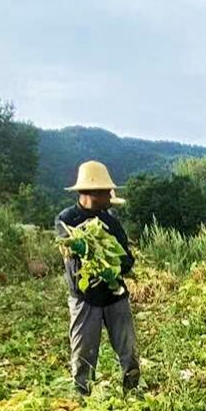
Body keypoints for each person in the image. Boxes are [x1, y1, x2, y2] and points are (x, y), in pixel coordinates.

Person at [56, 161, 140, 395]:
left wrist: (116, 268)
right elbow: (68, 245)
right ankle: (84, 397)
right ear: (93, 192)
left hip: (115, 296)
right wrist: (84, 248)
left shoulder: (111, 222)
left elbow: (127, 258)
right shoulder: (67, 220)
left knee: (128, 350)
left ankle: (132, 391)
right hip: (85, 297)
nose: (110, 196)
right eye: (106, 191)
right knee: (84, 353)